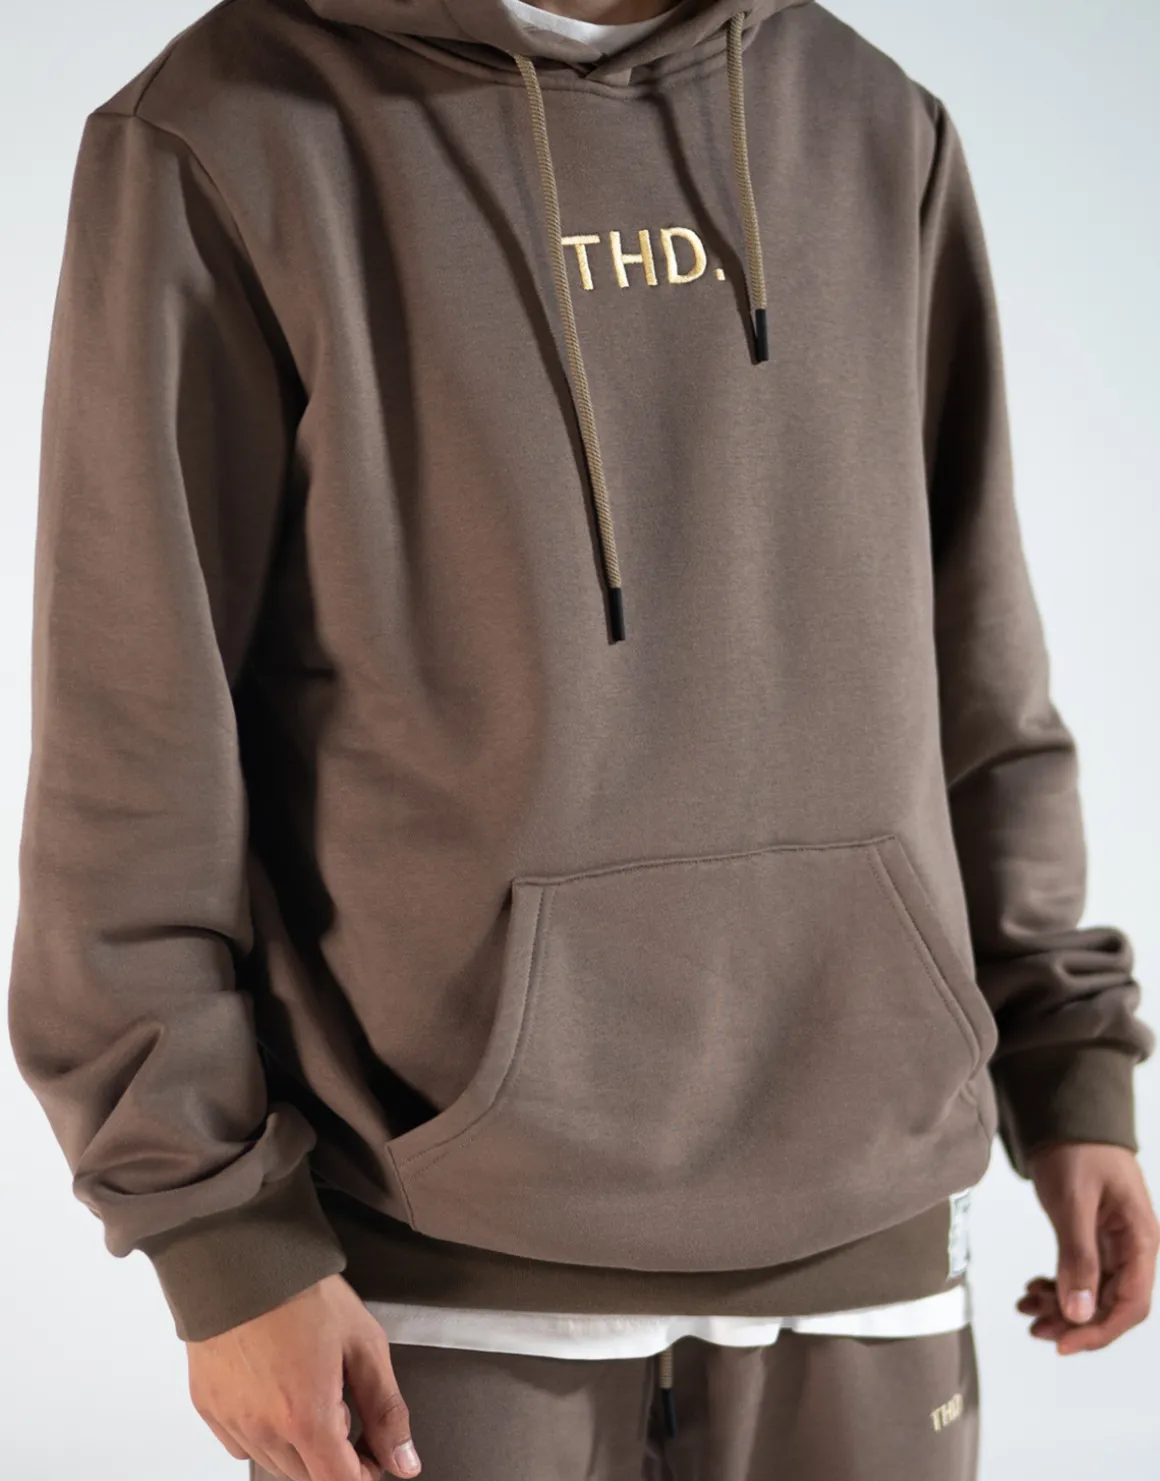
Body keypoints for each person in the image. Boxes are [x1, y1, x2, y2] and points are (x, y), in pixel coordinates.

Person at [8, 0, 1157, 1477]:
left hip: (869, 1233)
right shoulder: (223, 133)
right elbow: (134, 737)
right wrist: (219, 1236)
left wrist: (1067, 1060)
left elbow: (976, 652)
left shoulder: (873, 121)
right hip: (435, 1266)